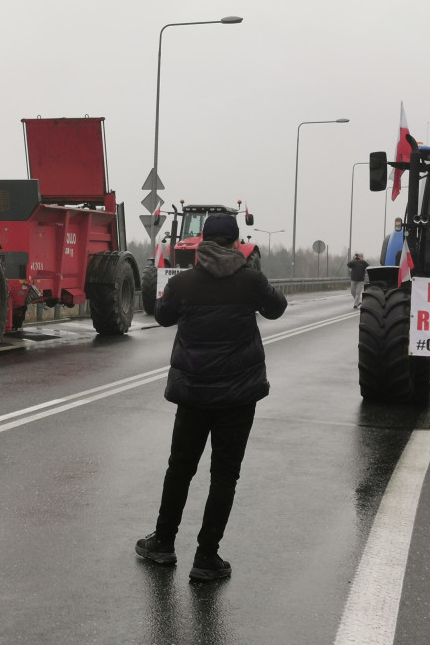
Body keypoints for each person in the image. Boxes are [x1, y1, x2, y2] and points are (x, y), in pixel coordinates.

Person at [135, 212, 288, 582]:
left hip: (194, 393)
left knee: (180, 469)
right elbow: (277, 307)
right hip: (238, 397)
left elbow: (163, 316)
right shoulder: (251, 281)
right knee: (224, 477)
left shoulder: (185, 283)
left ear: (203, 241)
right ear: (236, 243)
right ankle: (206, 557)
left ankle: (163, 544)